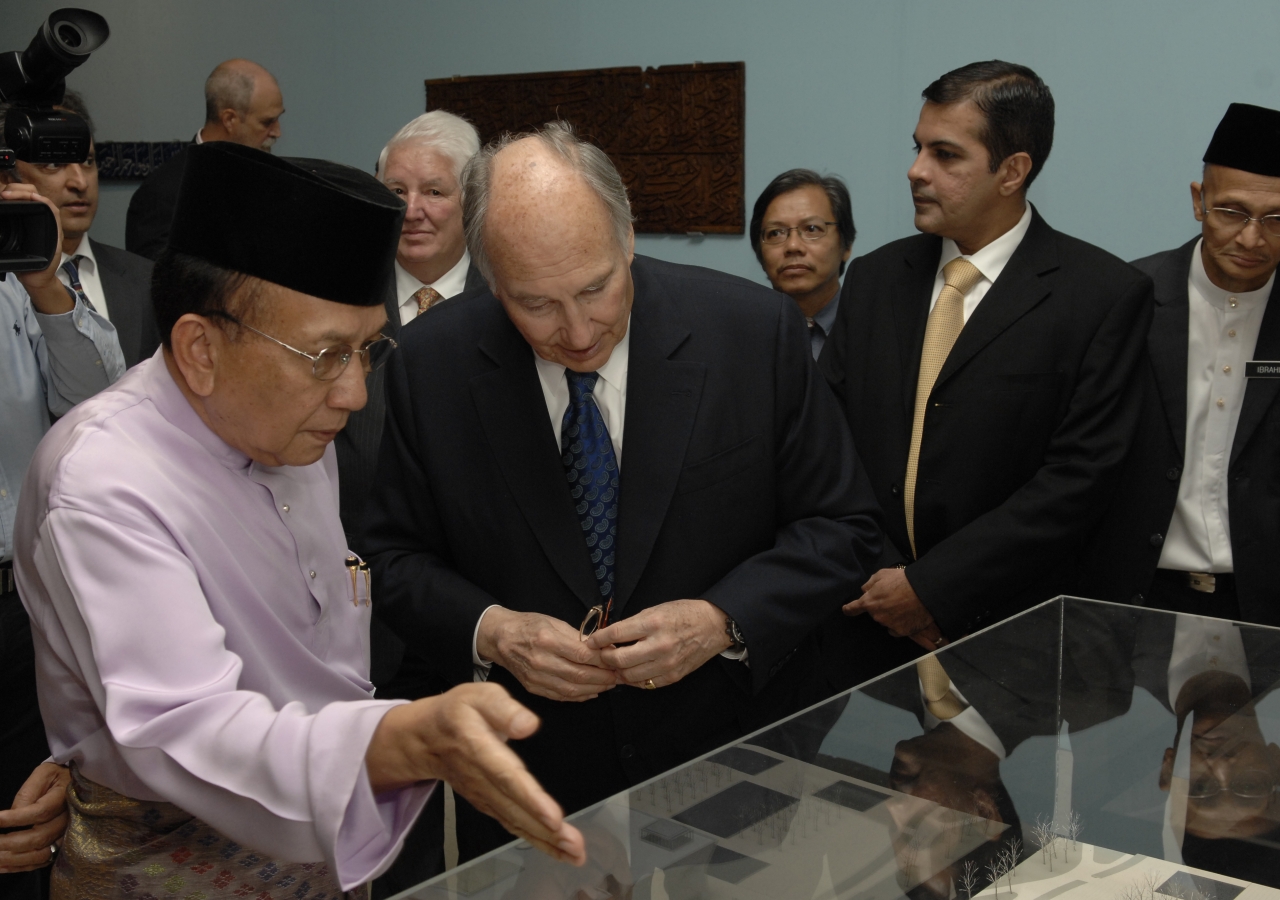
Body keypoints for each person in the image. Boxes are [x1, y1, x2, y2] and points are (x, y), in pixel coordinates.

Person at [15, 141, 584, 900]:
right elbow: (183, 727)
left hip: (328, 844)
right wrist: (393, 739)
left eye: (366, 350)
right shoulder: (103, 482)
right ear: (200, 349)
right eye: (324, 356)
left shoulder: (291, 432)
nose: (353, 393)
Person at [360, 121, 883, 861]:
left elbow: (843, 526)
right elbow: (391, 555)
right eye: (534, 304)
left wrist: (721, 619)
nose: (577, 332)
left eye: (596, 288)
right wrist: (494, 631)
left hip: (732, 756)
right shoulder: (427, 364)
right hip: (535, 786)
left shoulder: (751, 331)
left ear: (627, 235)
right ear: (488, 272)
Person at [818, 60, 1153, 686]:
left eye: (946, 154)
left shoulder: (1100, 295)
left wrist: (930, 587)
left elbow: (1078, 479)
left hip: (1012, 639)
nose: (916, 170)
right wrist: (889, 581)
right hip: (864, 622)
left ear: (1013, 170)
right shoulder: (875, 278)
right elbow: (827, 440)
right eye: (918, 148)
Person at [1080, 104, 1280, 626]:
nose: (1252, 238)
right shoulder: (1122, 301)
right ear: (1199, 201)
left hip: (1265, 609)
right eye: (1232, 212)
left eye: (1277, 219)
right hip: (1128, 600)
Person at [0, 173, 126, 899]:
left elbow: (101, 407)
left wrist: (46, 285)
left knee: (34, 824)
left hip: (24, 612)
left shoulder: (17, 280)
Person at [337, 110, 485, 538]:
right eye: (397, 190)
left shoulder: (508, 301)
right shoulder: (340, 294)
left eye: (434, 191)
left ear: (471, 200)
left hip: (475, 562)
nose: (412, 209)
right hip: (353, 551)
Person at [0, 91, 160, 368]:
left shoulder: (147, 279)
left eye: (87, 161)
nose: (80, 182)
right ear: (6, 179)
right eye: (53, 163)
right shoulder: (7, 288)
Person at [125, 59, 284, 261]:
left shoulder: (272, 179)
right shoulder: (163, 195)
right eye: (267, 122)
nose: (277, 132)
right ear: (229, 120)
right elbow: (154, 281)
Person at [749, 169, 855, 359]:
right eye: (775, 233)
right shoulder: (740, 336)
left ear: (846, 245)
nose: (793, 246)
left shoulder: (873, 330)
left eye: (812, 229)